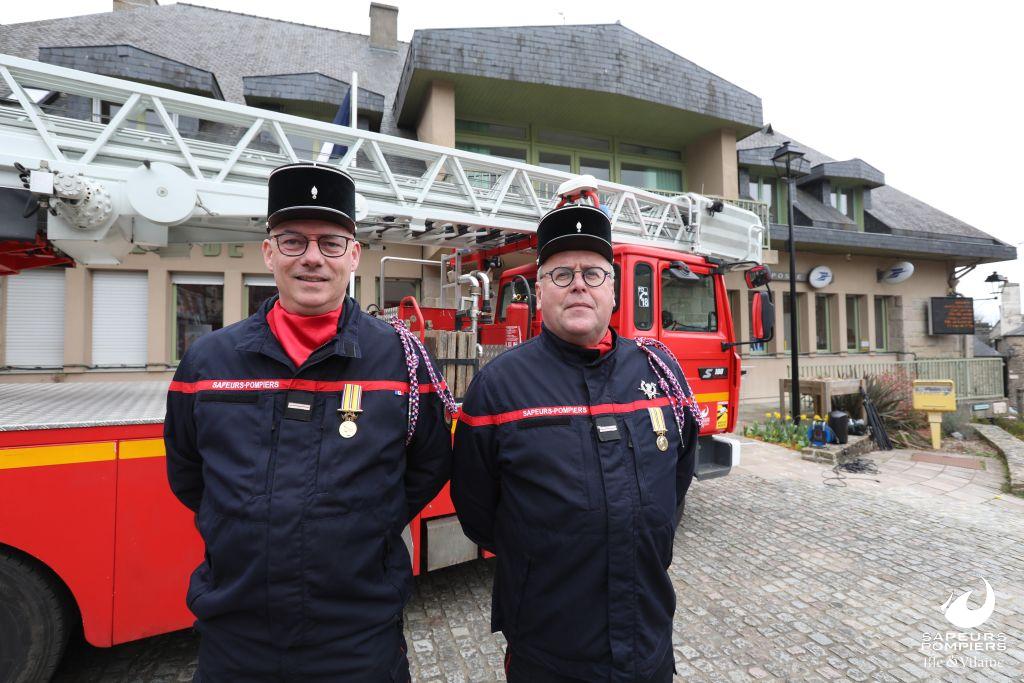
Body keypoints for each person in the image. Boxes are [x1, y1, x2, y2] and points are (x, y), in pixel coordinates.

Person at [165, 162, 454, 682]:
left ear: (354, 255)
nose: (313, 258)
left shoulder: (403, 361)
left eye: (331, 243)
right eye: (294, 241)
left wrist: (367, 522)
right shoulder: (208, 362)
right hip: (236, 639)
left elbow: (428, 465)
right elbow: (188, 475)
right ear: (269, 252)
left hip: (359, 639)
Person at [452, 199, 704, 683]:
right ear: (540, 290)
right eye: (562, 274)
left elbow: (677, 479)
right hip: (548, 650)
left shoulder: (659, 373)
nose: (579, 286)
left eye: (593, 273)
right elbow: (478, 512)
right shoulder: (499, 387)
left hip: (647, 642)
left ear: (614, 288)